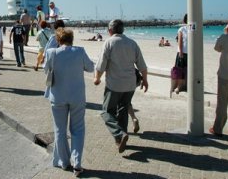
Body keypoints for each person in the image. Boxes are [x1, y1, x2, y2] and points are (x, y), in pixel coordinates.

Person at [44, 28, 95, 176]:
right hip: (77, 96)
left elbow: (45, 70)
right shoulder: (79, 51)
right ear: (72, 39)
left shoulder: (51, 53)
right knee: (78, 129)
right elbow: (91, 68)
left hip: (57, 97)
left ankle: (64, 162)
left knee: (60, 130)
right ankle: (77, 163)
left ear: (58, 40)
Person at [94, 19, 149, 153]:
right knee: (123, 111)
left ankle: (119, 134)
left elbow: (101, 65)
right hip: (130, 85)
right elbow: (142, 65)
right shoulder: (132, 43)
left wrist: (97, 78)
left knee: (106, 112)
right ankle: (120, 140)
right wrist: (145, 80)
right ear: (123, 30)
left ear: (110, 30)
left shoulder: (109, 42)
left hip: (114, 85)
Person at [171, 14, 188, 95]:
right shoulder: (185, 29)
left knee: (183, 70)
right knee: (183, 70)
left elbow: (180, 41)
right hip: (186, 53)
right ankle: (180, 86)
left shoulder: (186, 28)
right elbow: (180, 41)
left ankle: (181, 86)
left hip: (186, 53)